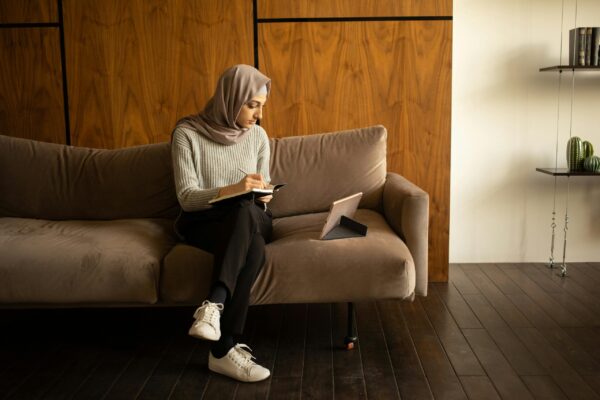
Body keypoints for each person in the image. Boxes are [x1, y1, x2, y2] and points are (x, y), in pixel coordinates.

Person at [171, 64, 273, 383]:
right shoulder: (186, 133)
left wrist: (263, 193)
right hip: (204, 221)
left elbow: (263, 186)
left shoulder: (257, 136)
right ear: (231, 98)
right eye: (252, 105)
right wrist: (234, 189)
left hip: (252, 215)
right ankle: (223, 352)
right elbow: (187, 198)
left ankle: (214, 306)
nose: (258, 115)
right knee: (253, 246)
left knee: (245, 211)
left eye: (262, 107)